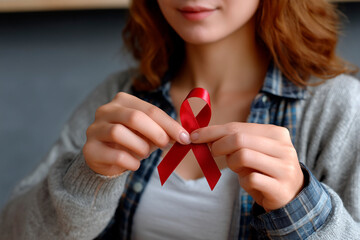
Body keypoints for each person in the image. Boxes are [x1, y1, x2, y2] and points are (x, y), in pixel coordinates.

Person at [1, 0, 359, 239]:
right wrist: (83, 181)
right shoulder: (119, 94)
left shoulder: (339, 106)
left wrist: (300, 204)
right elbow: (13, 231)